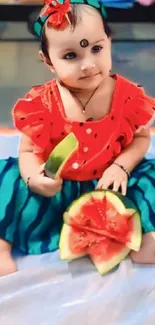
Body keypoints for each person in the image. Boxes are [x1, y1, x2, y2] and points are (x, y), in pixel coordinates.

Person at [0, 0, 155, 277]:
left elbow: (141, 138)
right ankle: (1, 244)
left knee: (150, 178)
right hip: (56, 188)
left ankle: (147, 237)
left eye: (96, 49)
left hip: (111, 184)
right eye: (70, 56)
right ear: (48, 61)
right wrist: (33, 177)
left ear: (109, 43)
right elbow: (27, 151)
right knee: (7, 180)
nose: (88, 65)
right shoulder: (41, 104)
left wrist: (121, 166)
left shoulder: (127, 96)